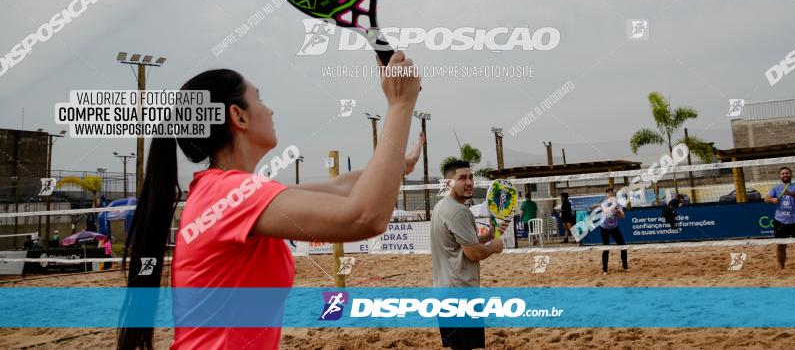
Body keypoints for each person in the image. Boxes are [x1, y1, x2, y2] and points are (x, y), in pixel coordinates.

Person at [118, 52, 422, 350]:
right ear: (238, 116)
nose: (271, 110)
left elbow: (340, 188)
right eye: (260, 99)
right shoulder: (230, 193)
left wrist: (398, 163)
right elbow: (363, 216)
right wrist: (400, 105)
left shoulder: (226, 191)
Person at [431, 159, 508, 350]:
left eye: (471, 177)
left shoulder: (441, 206)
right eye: (462, 178)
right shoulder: (459, 212)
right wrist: (494, 246)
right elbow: (474, 253)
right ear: (448, 183)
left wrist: (490, 235)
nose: (469, 182)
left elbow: (461, 244)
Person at [597, 188, 627, 274]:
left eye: (612, 193)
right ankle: (605, 270)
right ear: (606, 194)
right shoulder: (603, 203)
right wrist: (611, 209)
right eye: (608, 192)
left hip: (614, 228)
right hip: (604, 228)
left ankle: (625, 267)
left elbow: (623, 216)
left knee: (623, 246)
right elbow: (604, 211)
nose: (610, 194)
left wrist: (617, 211)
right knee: (606, 248)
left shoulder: (617, 204)